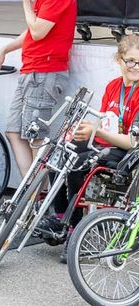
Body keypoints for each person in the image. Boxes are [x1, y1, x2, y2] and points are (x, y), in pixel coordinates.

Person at [43, 35, 139, 263]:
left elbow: (133, 142)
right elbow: (106, 119)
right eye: (131, 61)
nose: (136, 67)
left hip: (125, 151)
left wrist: (98, 133)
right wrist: (86, 128)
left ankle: (75, 228)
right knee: (58, 152)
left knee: (78, 163)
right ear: (119, 60)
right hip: (105, 140)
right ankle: (59, 215)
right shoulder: (113, 86)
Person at [0, 0, 76, 177]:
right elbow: (33, 30)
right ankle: (31, 195)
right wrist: (6, 48)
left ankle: (41, 199)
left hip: (44, 70)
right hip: (34, 70)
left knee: (35, 137)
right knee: (15, 132)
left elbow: (38, 31)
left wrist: (25, 1)